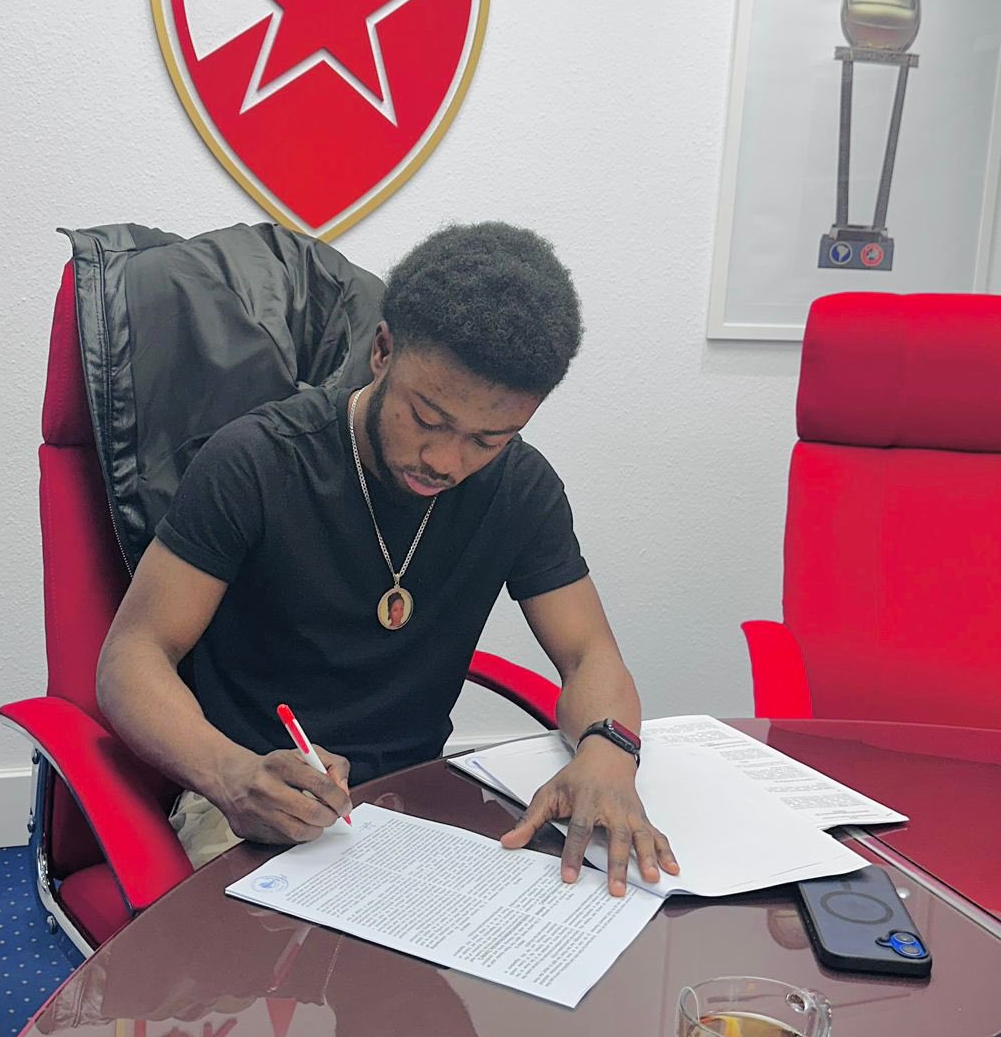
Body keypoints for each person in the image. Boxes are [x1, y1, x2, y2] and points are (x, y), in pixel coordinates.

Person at [97, 222, 679, 896]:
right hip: (255, 798)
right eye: (427, 419)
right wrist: (229, 773)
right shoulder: (256, 462)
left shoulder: (521, 489)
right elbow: (132, 657)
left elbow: (588, 654)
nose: (445, 461)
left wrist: (609, 750)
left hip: (418, 802)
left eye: (488, 439)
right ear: (382, 351)